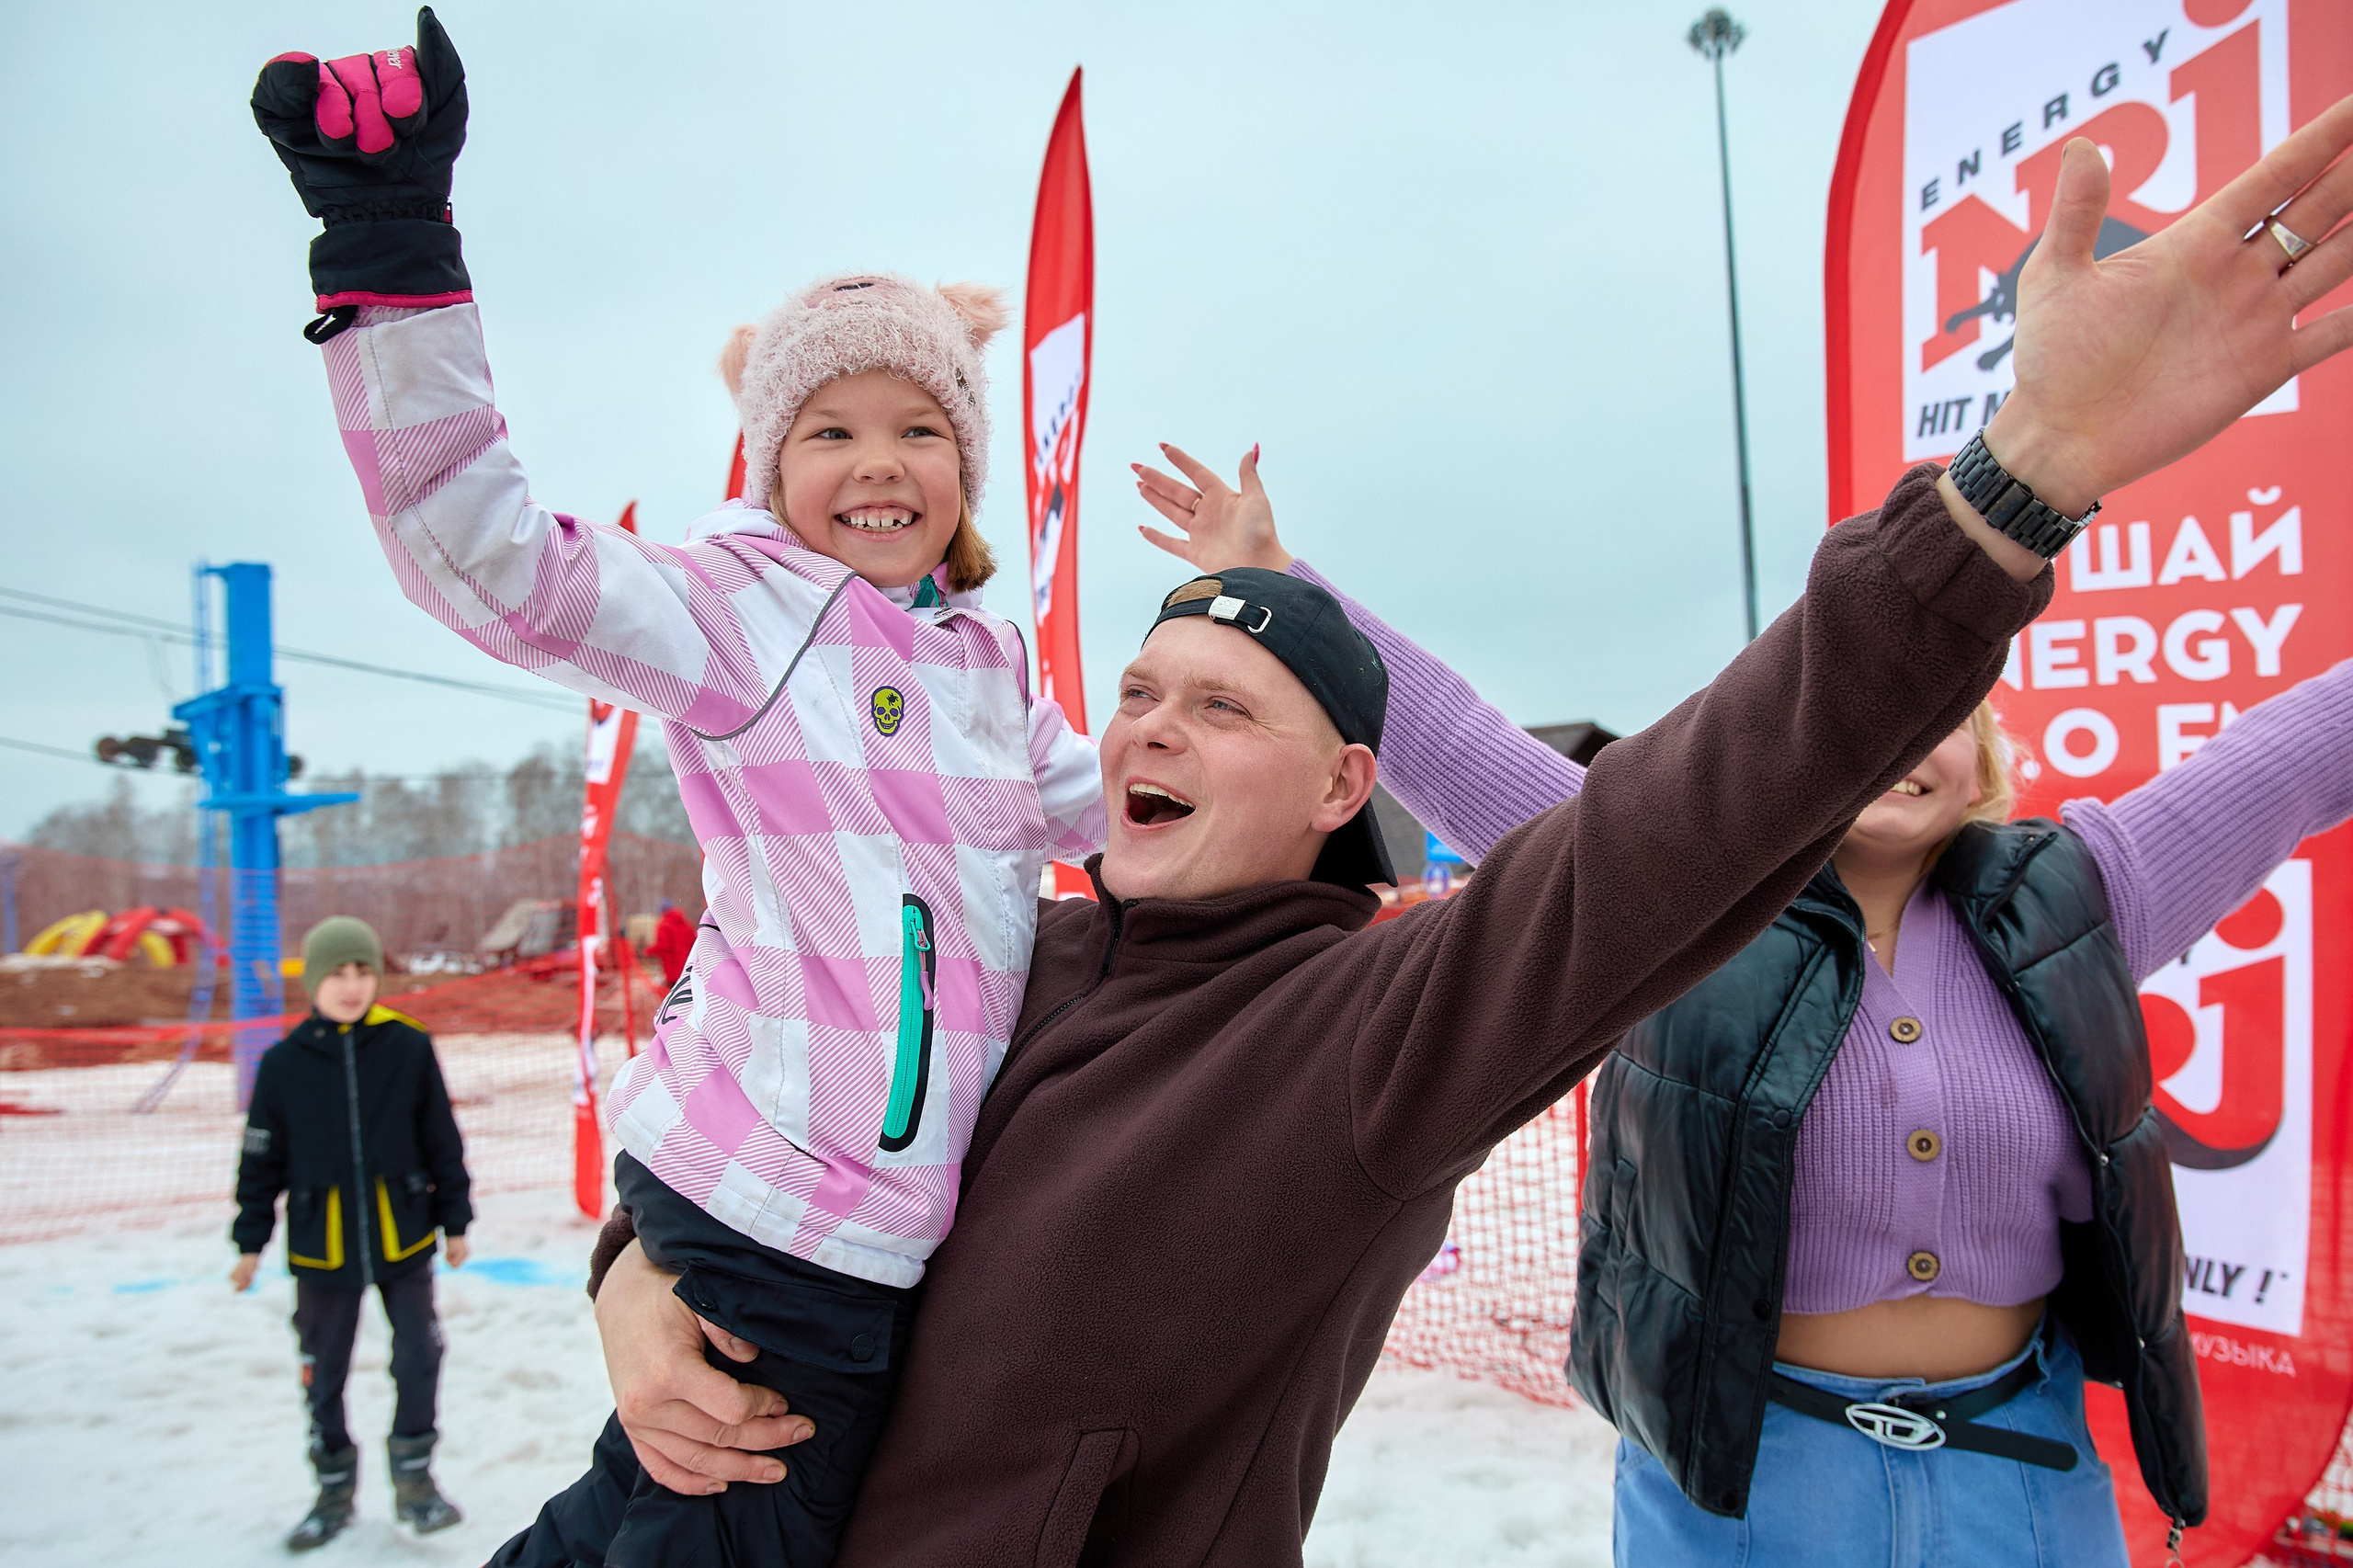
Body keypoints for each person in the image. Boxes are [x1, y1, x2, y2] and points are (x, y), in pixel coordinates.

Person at [585, 93, 2353, 1565]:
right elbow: (762, 1050)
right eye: (1136, 691)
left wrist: (2020, 470)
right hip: (1725, 1469)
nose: (1146, 725)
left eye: (1224, 706)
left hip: (2006, 1471)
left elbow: (1656, 833)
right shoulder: (1003, 956)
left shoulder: (1376, 1025)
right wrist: (630, 1272)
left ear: (1344, 788)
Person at [1579, 661, 2353, 1567]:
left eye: (1937, 712)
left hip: (2017, 1471)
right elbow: (1447, 740)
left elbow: (2293, 757)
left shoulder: (2086, 898)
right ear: (1783, 755)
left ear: (1983, 766)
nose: (1896, 738)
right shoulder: (1668, 901)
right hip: (1745, 1478)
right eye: (1851, 709)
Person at [231, 915, 472, 1551]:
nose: (351, 984)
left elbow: (441, 1139)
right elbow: (260, 1160)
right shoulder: (282, 1064)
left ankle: (416, 1482)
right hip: (321, 1245)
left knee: (419, 1356)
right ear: (314, 980)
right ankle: (333, 1490)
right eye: (337, 972)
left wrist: (456, 1218)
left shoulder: (409, 1047)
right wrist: (250, 1241)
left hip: (405, 1237)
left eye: (362, 970)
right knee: (323, 1369)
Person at [647, 901, 696, 992]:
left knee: (674, 997)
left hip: (673, 970)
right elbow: (694, 943)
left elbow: (663, 946)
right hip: (689, 967)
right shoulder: (686, 924)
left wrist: (648, 951)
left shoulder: (664, 925)